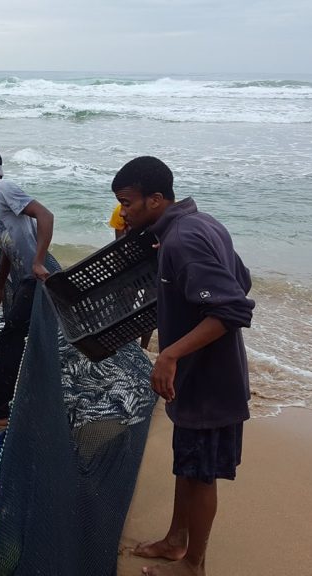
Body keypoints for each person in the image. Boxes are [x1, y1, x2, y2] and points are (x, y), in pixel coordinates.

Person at [112, 156, 254, 576]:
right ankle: (176, 541)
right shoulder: (201, 223)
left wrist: (171, 353)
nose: (123, 212)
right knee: (187, 464)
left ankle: (193, 564)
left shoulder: (182, 240)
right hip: (195, 378)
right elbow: (241, 277)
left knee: (202, 474)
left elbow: (234, 307)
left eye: (128, 203)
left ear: (156, 200)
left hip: (211, 381)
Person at [0, 145, 54, 428]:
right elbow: (7, 247)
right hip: (23, 281)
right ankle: (29, 397)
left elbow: (46, 215)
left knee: (10, 338)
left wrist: (39, 261)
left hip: (35, 279)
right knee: (21, 336)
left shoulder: (3, 188)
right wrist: (0, 285)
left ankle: (0, 410)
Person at [109, 201, 153, 350]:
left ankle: (143, 348)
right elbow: (119, 248)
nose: (123, 212)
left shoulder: (163, 213)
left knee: (150, 310)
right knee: (124, 303)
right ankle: (120, 345)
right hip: (132, 263)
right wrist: (120, 277)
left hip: (157, 265)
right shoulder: (120, 212)